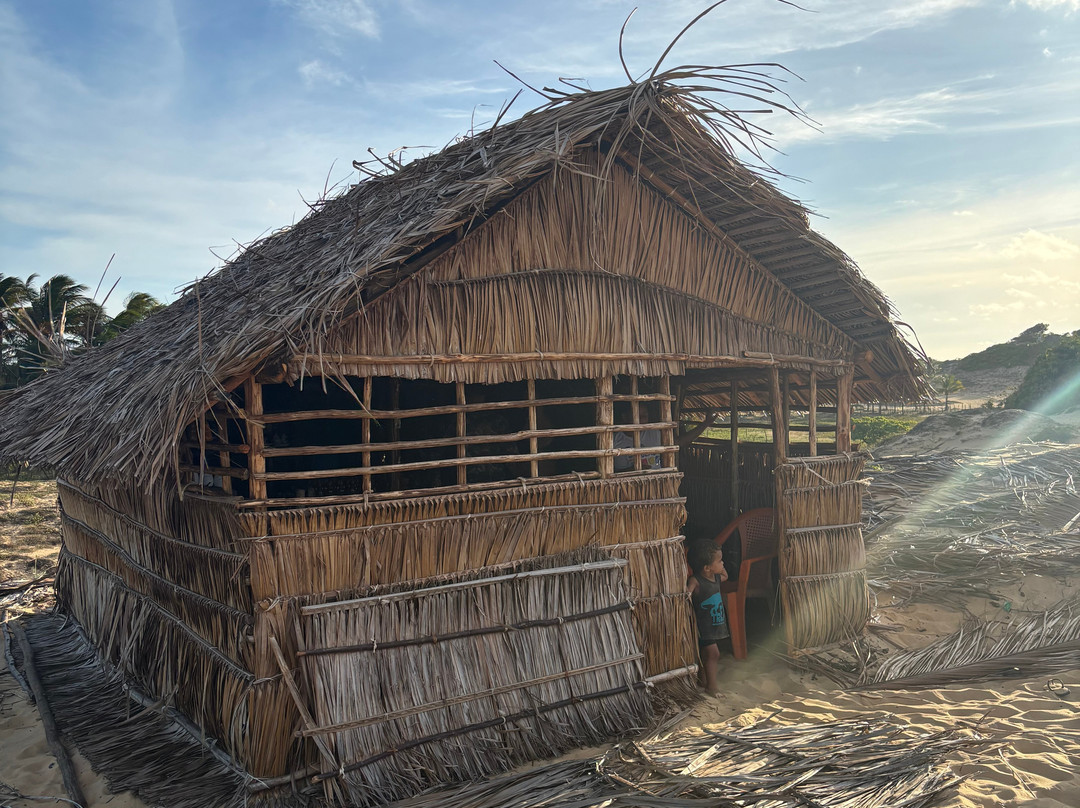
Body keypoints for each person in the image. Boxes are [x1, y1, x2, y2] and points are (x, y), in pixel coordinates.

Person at [613, 406, 718, 472]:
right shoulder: (615, 440)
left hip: (657, 486)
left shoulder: (654, 434)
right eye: (637, 416)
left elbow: (680, 442)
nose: (642, 419)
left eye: (644, 416)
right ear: (625, 417)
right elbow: (610, 473)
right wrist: (633, 470)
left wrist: (706, 424)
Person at [687, 541, 729, 694]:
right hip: (702, 626)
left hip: (713, 624)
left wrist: (717, 565)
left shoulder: (716, 578)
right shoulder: (696, 581)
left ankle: (703, 680)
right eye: (719, 560)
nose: (723, 563)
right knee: (713, 653)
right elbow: (687, 593)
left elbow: (726, 575)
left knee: (705, 653)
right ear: (706, 568)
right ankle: (712, 687)